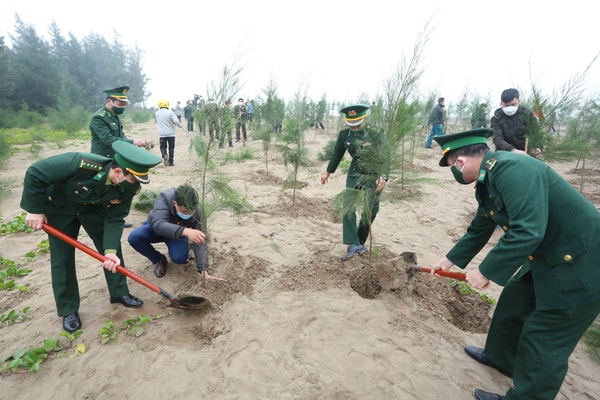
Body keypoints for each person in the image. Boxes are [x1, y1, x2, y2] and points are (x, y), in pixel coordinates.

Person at [430, 128, 600, 400]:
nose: (453, 172)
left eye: (451, 165)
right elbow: (480, 227)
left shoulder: (513, 170)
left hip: (581, 261)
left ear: (460, 162)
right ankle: (502, 358)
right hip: (550, 254)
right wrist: (449, 261)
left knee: (544, 338)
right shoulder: (490, 178)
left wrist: (485, 272)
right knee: (514, 299)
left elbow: (528, 230)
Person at [20, 141, 163, 333]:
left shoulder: (128, 187)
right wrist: (34, 210)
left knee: (112, 251)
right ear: (118, 173)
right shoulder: (79, 163)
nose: (135, 185)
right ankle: (68, 309)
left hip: (93, 212)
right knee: (62, 258)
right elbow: (35, 172)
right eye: (133, 179)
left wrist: (110, 252)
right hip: (59, 210)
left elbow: (115, 217)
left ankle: (119, 293)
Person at [320, 104, 390, 261]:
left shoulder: (375, 132)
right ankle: (353, 243)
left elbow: (386, 154)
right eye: (351, 124)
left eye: (358, 124)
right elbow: (337, 153)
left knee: (371, 209)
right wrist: (328, 172)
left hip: (374, 174)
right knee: (349, 205)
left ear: (364, 119)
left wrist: (383, 176)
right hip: (355, 172)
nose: (355, 127)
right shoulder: (345, 134)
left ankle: (360, 240)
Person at [127, 185, 226, 282]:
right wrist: (186, 231)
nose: (188, 214)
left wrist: (203, 270)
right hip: (157, 229)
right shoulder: (164, 198)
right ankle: (159, 259)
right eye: (184, 211)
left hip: (178, 235)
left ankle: (183, 247)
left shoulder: (198, 210)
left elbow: (201, 240)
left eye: (191, 211)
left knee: (180, 258)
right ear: (175, 203)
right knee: (135, 237)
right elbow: (159, 224)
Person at [90, 85, 145, 227]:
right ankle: (100, 218)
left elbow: (120, 136)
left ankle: (116, 216)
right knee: (103, 188)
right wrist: (132, 141)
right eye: (120, 104)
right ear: (109, 101)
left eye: (124, 104)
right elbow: (108, 139)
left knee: (117, 187)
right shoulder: (99, 118)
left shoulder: (115, 116)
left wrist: (130, 146)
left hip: (116, 158)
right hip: (103, 159)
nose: (123, 107)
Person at [491, 88, 542, 156]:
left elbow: (537, 133)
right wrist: (513, 150)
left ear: (519, 101)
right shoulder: (496, 118)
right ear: (501, 104)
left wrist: (538, 147)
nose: (510, 108)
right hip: (504, 154)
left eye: (513, 104)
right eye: (506, 105)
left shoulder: (527, 115)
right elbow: (497, 139)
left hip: (527, 154)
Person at [156, 99, 183, 167]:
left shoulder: (157, 113)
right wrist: (180, 126)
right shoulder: (170, 113)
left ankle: (164, 155)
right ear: (167, 105)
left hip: (162, 134)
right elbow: (176, 121)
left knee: (163, 147)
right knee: (171, 148)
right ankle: (171, 162)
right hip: (171, 134)